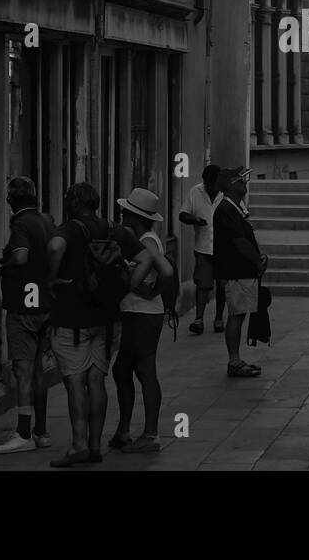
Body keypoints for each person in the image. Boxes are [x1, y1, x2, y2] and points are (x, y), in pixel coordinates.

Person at [44, 183, 116, 467]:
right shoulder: (108, 226)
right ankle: (96, 445)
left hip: (72, 320)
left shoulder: (69, 229)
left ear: (74, 203)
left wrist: (50, 278)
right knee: (97, 381)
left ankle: (79, 446)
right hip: (105, 318)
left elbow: (54, 245)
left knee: (75, 382)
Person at [0, 176, 56, 455]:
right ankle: (40, 431)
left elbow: (20, 258)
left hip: (24, 308)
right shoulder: (46, 221)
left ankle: (23, 433)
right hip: (45, 306)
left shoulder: (20, 224)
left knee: (23, 372)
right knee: (39, 370)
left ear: (10, 201)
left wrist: (1, 265)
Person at [110, 188, 174, 455]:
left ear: (133, 217)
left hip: (143, 314)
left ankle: (149, 434)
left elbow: (167, 271)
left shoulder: (147, 242)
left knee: (144, 372)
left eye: (125, 213)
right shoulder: (144, 239)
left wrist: (147, 290)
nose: (122, 217)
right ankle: (124, 431)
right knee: (123, 370)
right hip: (139, 314)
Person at [213, 167, 268, 377]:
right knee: (236, 315)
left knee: (240, 313)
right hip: (236, 270)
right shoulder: (227, 209)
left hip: (243, 270)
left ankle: (235, 359)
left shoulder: (235, 207)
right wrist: (257, 260)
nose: (244, 183)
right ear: (232, 186)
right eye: (240, 180)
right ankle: (233, 361)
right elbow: (239, 241)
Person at [180, 165, 225, 336]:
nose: (210, 188)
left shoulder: (225, 194)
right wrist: (194, 219)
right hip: (203, 247)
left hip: (222, 249)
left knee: (222, 284)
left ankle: (219, 318)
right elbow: (182, 214)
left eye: (212, 184)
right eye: (207, 184)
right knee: (203, 285)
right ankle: (198, 319)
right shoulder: (195, 191)